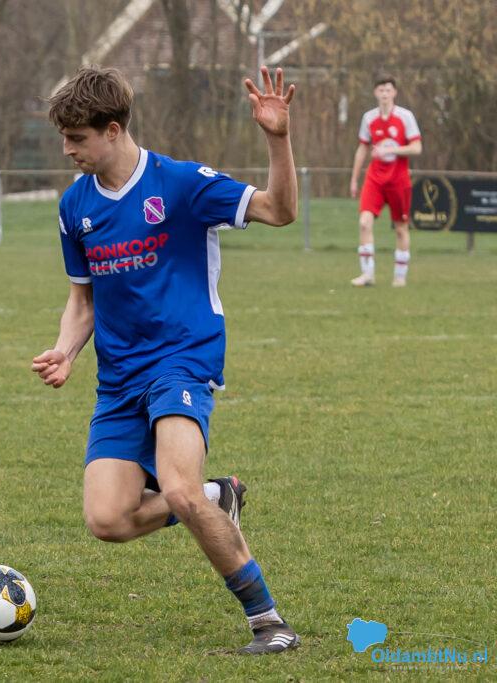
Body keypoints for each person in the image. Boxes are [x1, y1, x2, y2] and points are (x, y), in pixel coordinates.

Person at [32, 66, 300, 654]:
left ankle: (268, 622)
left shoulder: (180, 185)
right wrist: (66, 350)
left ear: (112, 129)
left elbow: (280, 210)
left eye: (76, 138)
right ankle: (216, 495)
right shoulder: (75, 206)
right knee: (108, 520)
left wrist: (277, 139)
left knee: (176, 489)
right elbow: (83, 298)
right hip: (118, 379)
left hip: (181, 361)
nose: (67, 150)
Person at [349, 75, 422, 287]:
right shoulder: (369, 118)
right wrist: (354, 179)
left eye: (388, 90)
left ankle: (400, 276)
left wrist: (390, 150)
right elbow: (362, 148)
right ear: (375, 93)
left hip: (398, 180)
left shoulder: (405, 117)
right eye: (381, 90)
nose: (384, 94)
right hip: (375, 178)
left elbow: (416, 147)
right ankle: (368, 274)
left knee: (400, 228)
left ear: (394, 93)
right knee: (364, 222)